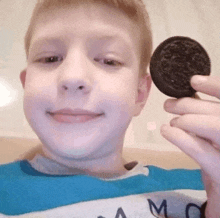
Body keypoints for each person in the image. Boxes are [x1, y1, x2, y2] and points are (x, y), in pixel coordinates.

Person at [0, 0, 219, 217]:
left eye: (108, 61)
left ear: (140, 94)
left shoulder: (203, 185)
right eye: (50, 58)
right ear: (26, 83)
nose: (73, 77)